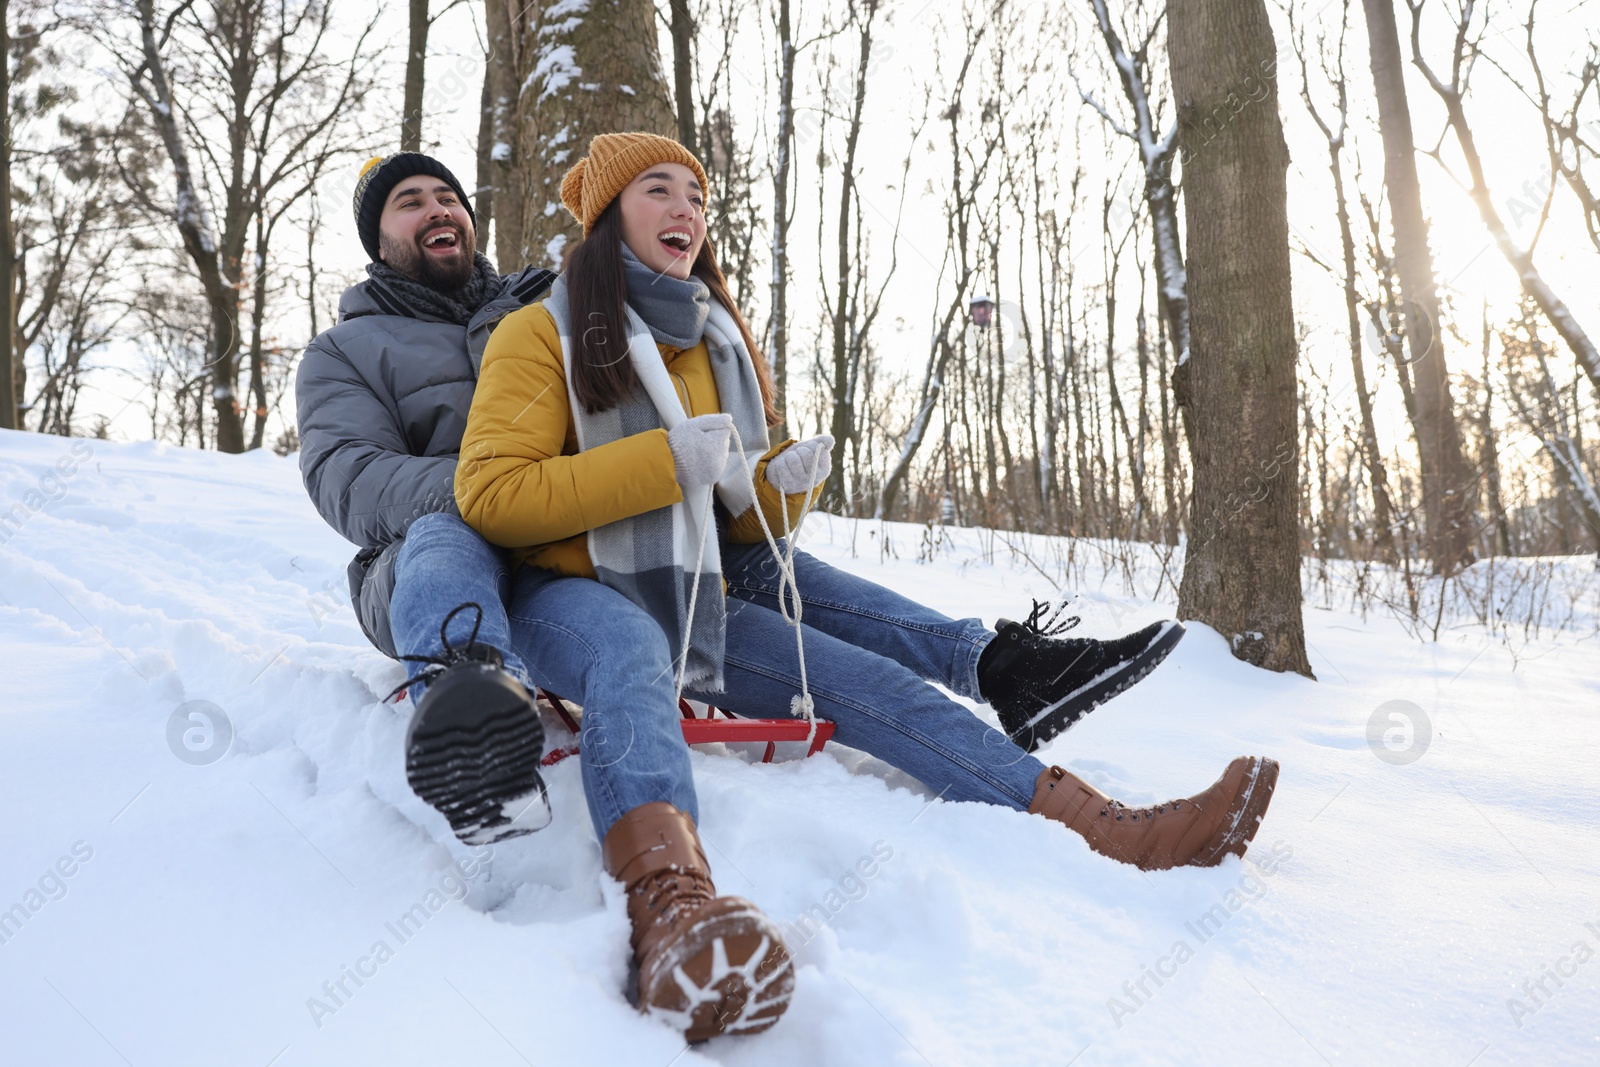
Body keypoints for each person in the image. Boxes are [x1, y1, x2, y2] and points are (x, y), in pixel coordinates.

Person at [454, 132, 1282, 1042]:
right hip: (562, 596)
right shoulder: (542, 334)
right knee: (629, 647)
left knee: (873, 685)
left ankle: (1109, 828)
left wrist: (782, 484)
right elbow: (491, 496)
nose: (687, 208)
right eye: (660, 190)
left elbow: (732, 526)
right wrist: (662, 462)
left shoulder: (714, 339)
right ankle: (669, 907)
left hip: (692, 592)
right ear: (609, 215)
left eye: (697, 193)